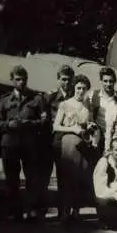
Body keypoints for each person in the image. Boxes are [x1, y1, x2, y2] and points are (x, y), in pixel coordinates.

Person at [0, 65, 47, 221]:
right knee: (12, 180)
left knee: (31, 178)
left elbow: (44, 121)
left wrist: (29, 123)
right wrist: (8, 125)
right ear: (12, 80)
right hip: (10, 144)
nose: (21, 82)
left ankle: (31, 210)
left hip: (29, 144)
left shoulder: (37, 98)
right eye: (17, 79)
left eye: (24, 79)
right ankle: (14, 212)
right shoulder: (4, 100)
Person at [53, 74, 100, 222]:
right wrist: (72, 129)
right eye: (78, 88)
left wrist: (91, 126)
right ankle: (64, 211)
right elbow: (56, 126)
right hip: (68, 142)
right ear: (74, 88)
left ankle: (76, 210)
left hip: (84, 142)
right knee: (67, 176)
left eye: (84, 88)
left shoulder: (88, 106)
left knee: (80, 176)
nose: (80, 91)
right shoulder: (65, 104)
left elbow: (90, 123)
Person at [40, 64, 75, 214]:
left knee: (64, 177)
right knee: (44, 177)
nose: (66, 83)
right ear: (58, 79)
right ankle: (41, 209)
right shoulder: (50, 97)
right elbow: (43, 120)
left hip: (65, 143)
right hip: (50, 142)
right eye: (63, 79)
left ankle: (63, 211)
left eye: (69, 80)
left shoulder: (75, 96)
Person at [87, 67, 117, 153]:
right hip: (97, 136)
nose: (108, 84)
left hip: (114, 137)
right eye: (105, 81)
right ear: (101, 81)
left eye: (111, 81)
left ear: (114, 82)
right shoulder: (93, 94)